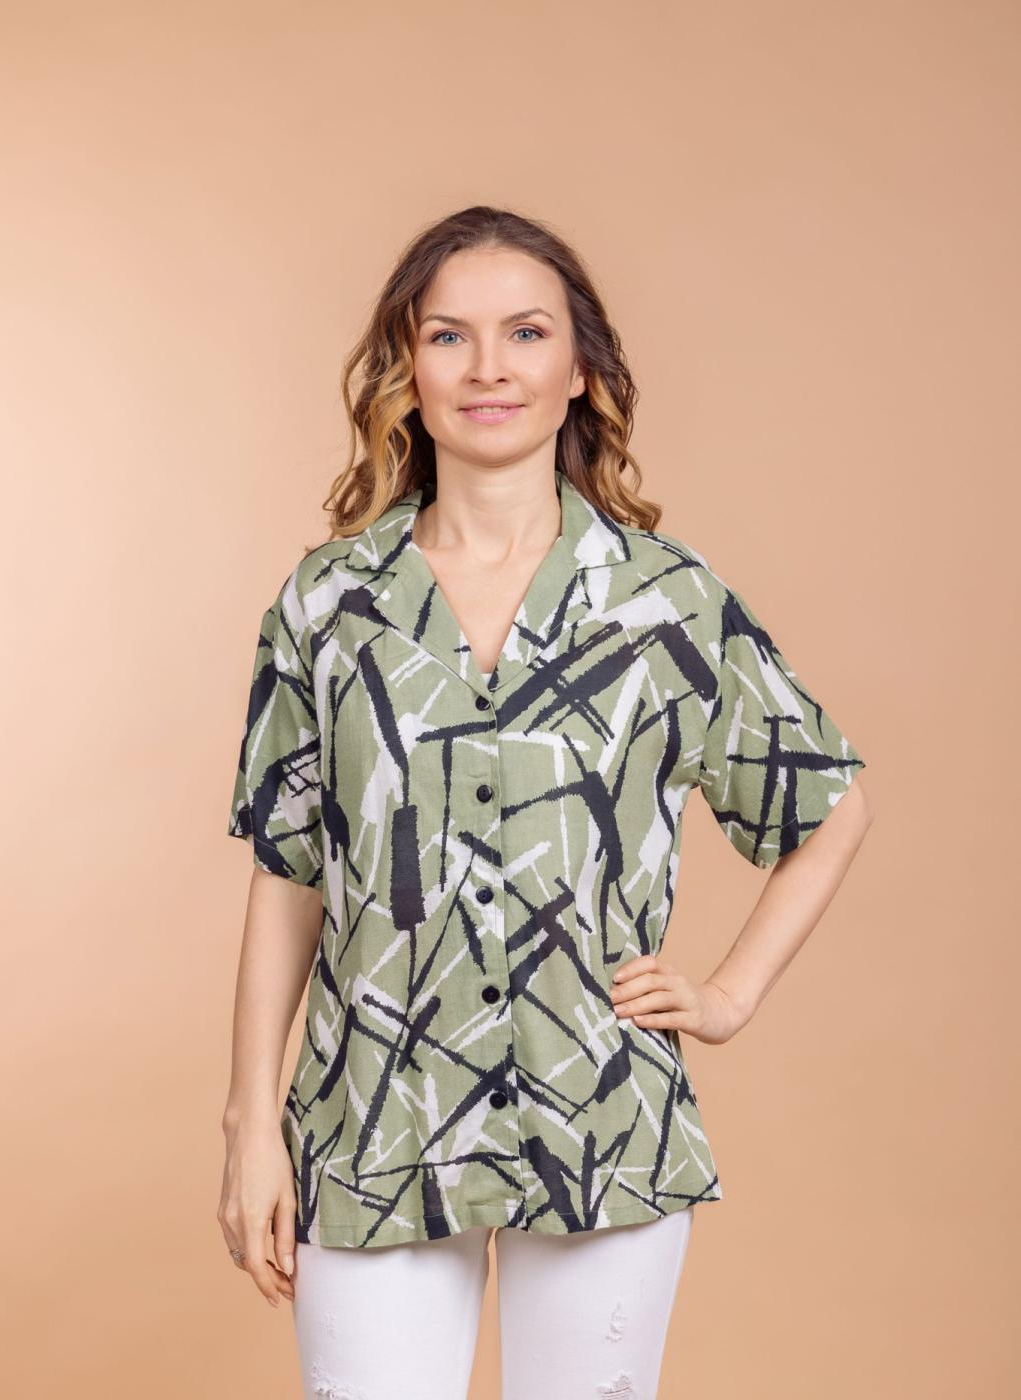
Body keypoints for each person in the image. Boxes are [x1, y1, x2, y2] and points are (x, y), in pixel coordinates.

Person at [218, 205, 874, 1400]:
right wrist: (249, 1124)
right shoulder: (329, 603)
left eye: (524, 333)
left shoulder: (662, 601)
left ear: (577, 369)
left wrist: (726, 995)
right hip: (373, 1118)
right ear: (407, 369)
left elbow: (826, 806)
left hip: (598, 1116)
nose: (488, 367)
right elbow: (288, 870)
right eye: (448, 335)